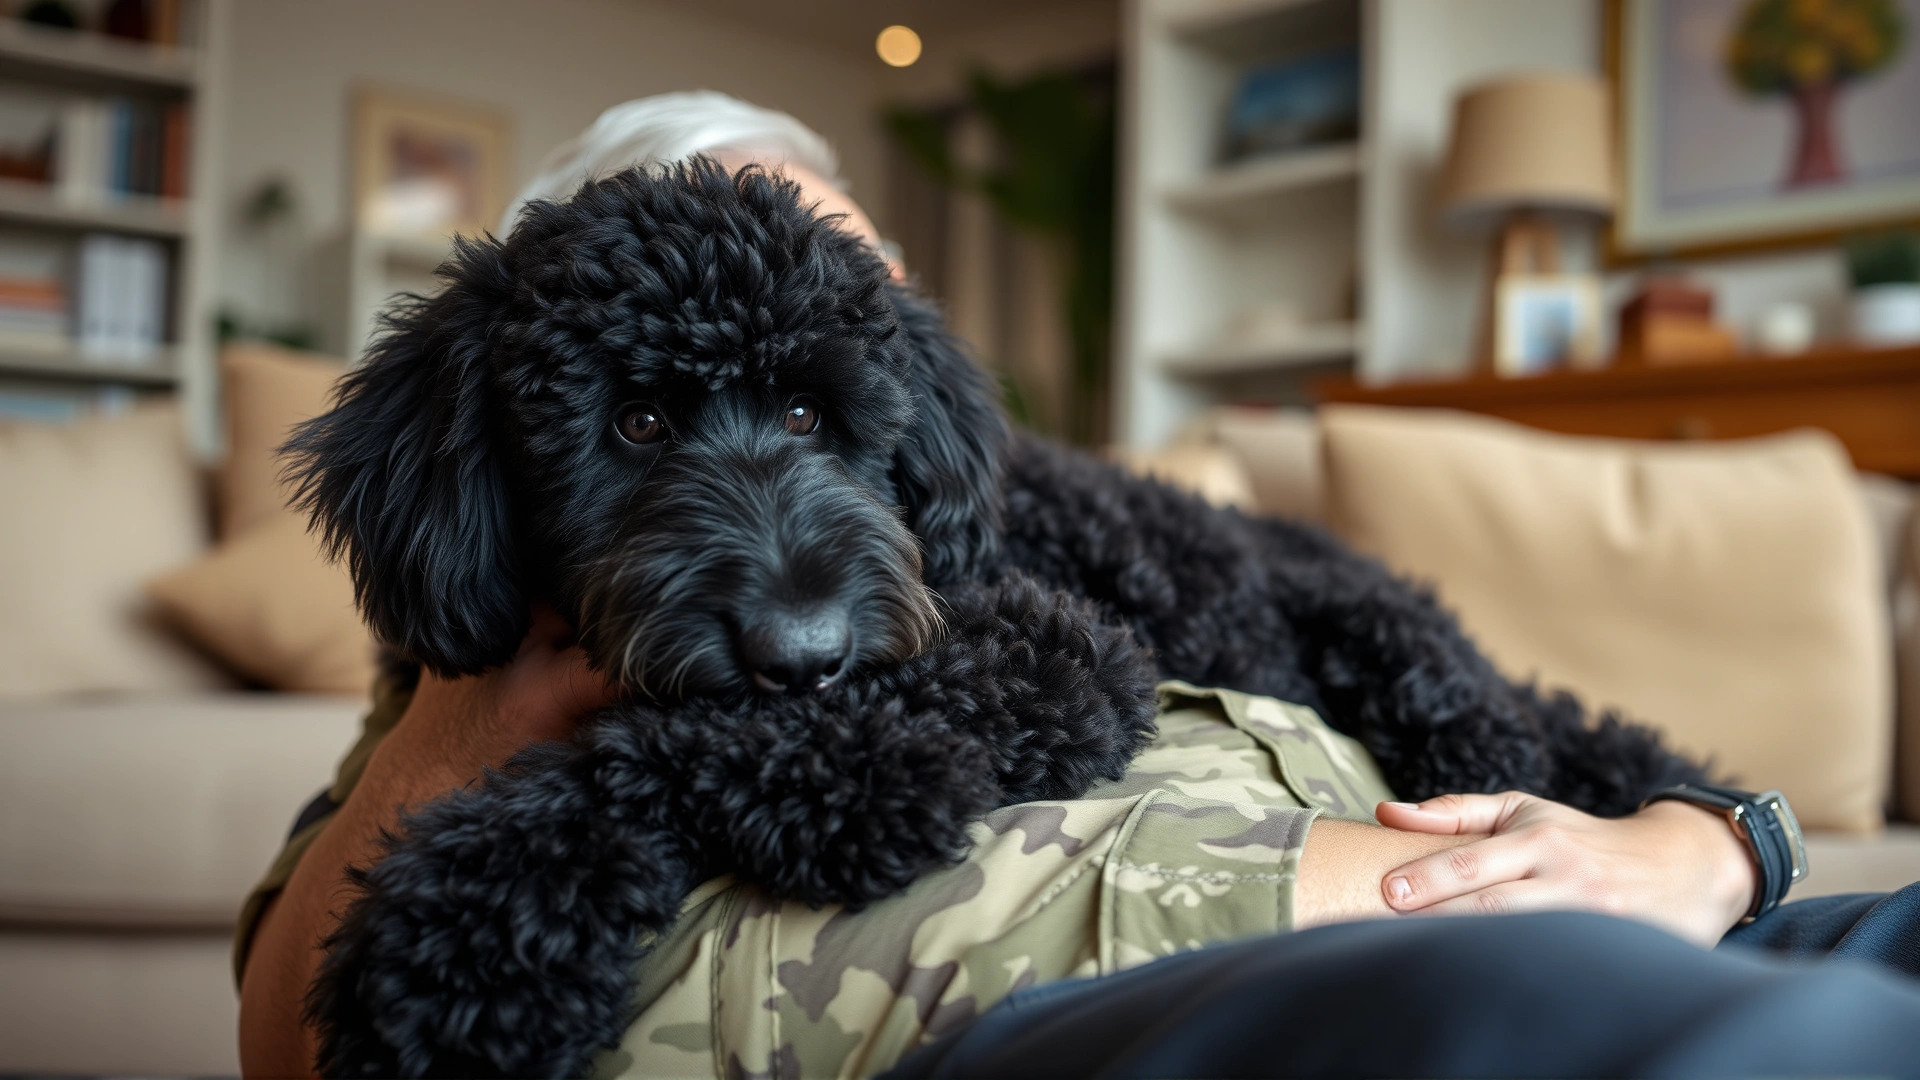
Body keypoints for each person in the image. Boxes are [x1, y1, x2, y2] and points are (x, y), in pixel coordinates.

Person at [236, 94, 1920, 1079]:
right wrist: (462, 731)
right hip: (1268, 975)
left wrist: (1704, 844)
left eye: (842, 354)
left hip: (1566, 890)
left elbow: (1429, 670)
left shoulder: (1086, 517)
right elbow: (297, 1033)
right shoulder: (479, 659)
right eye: (664, 411)